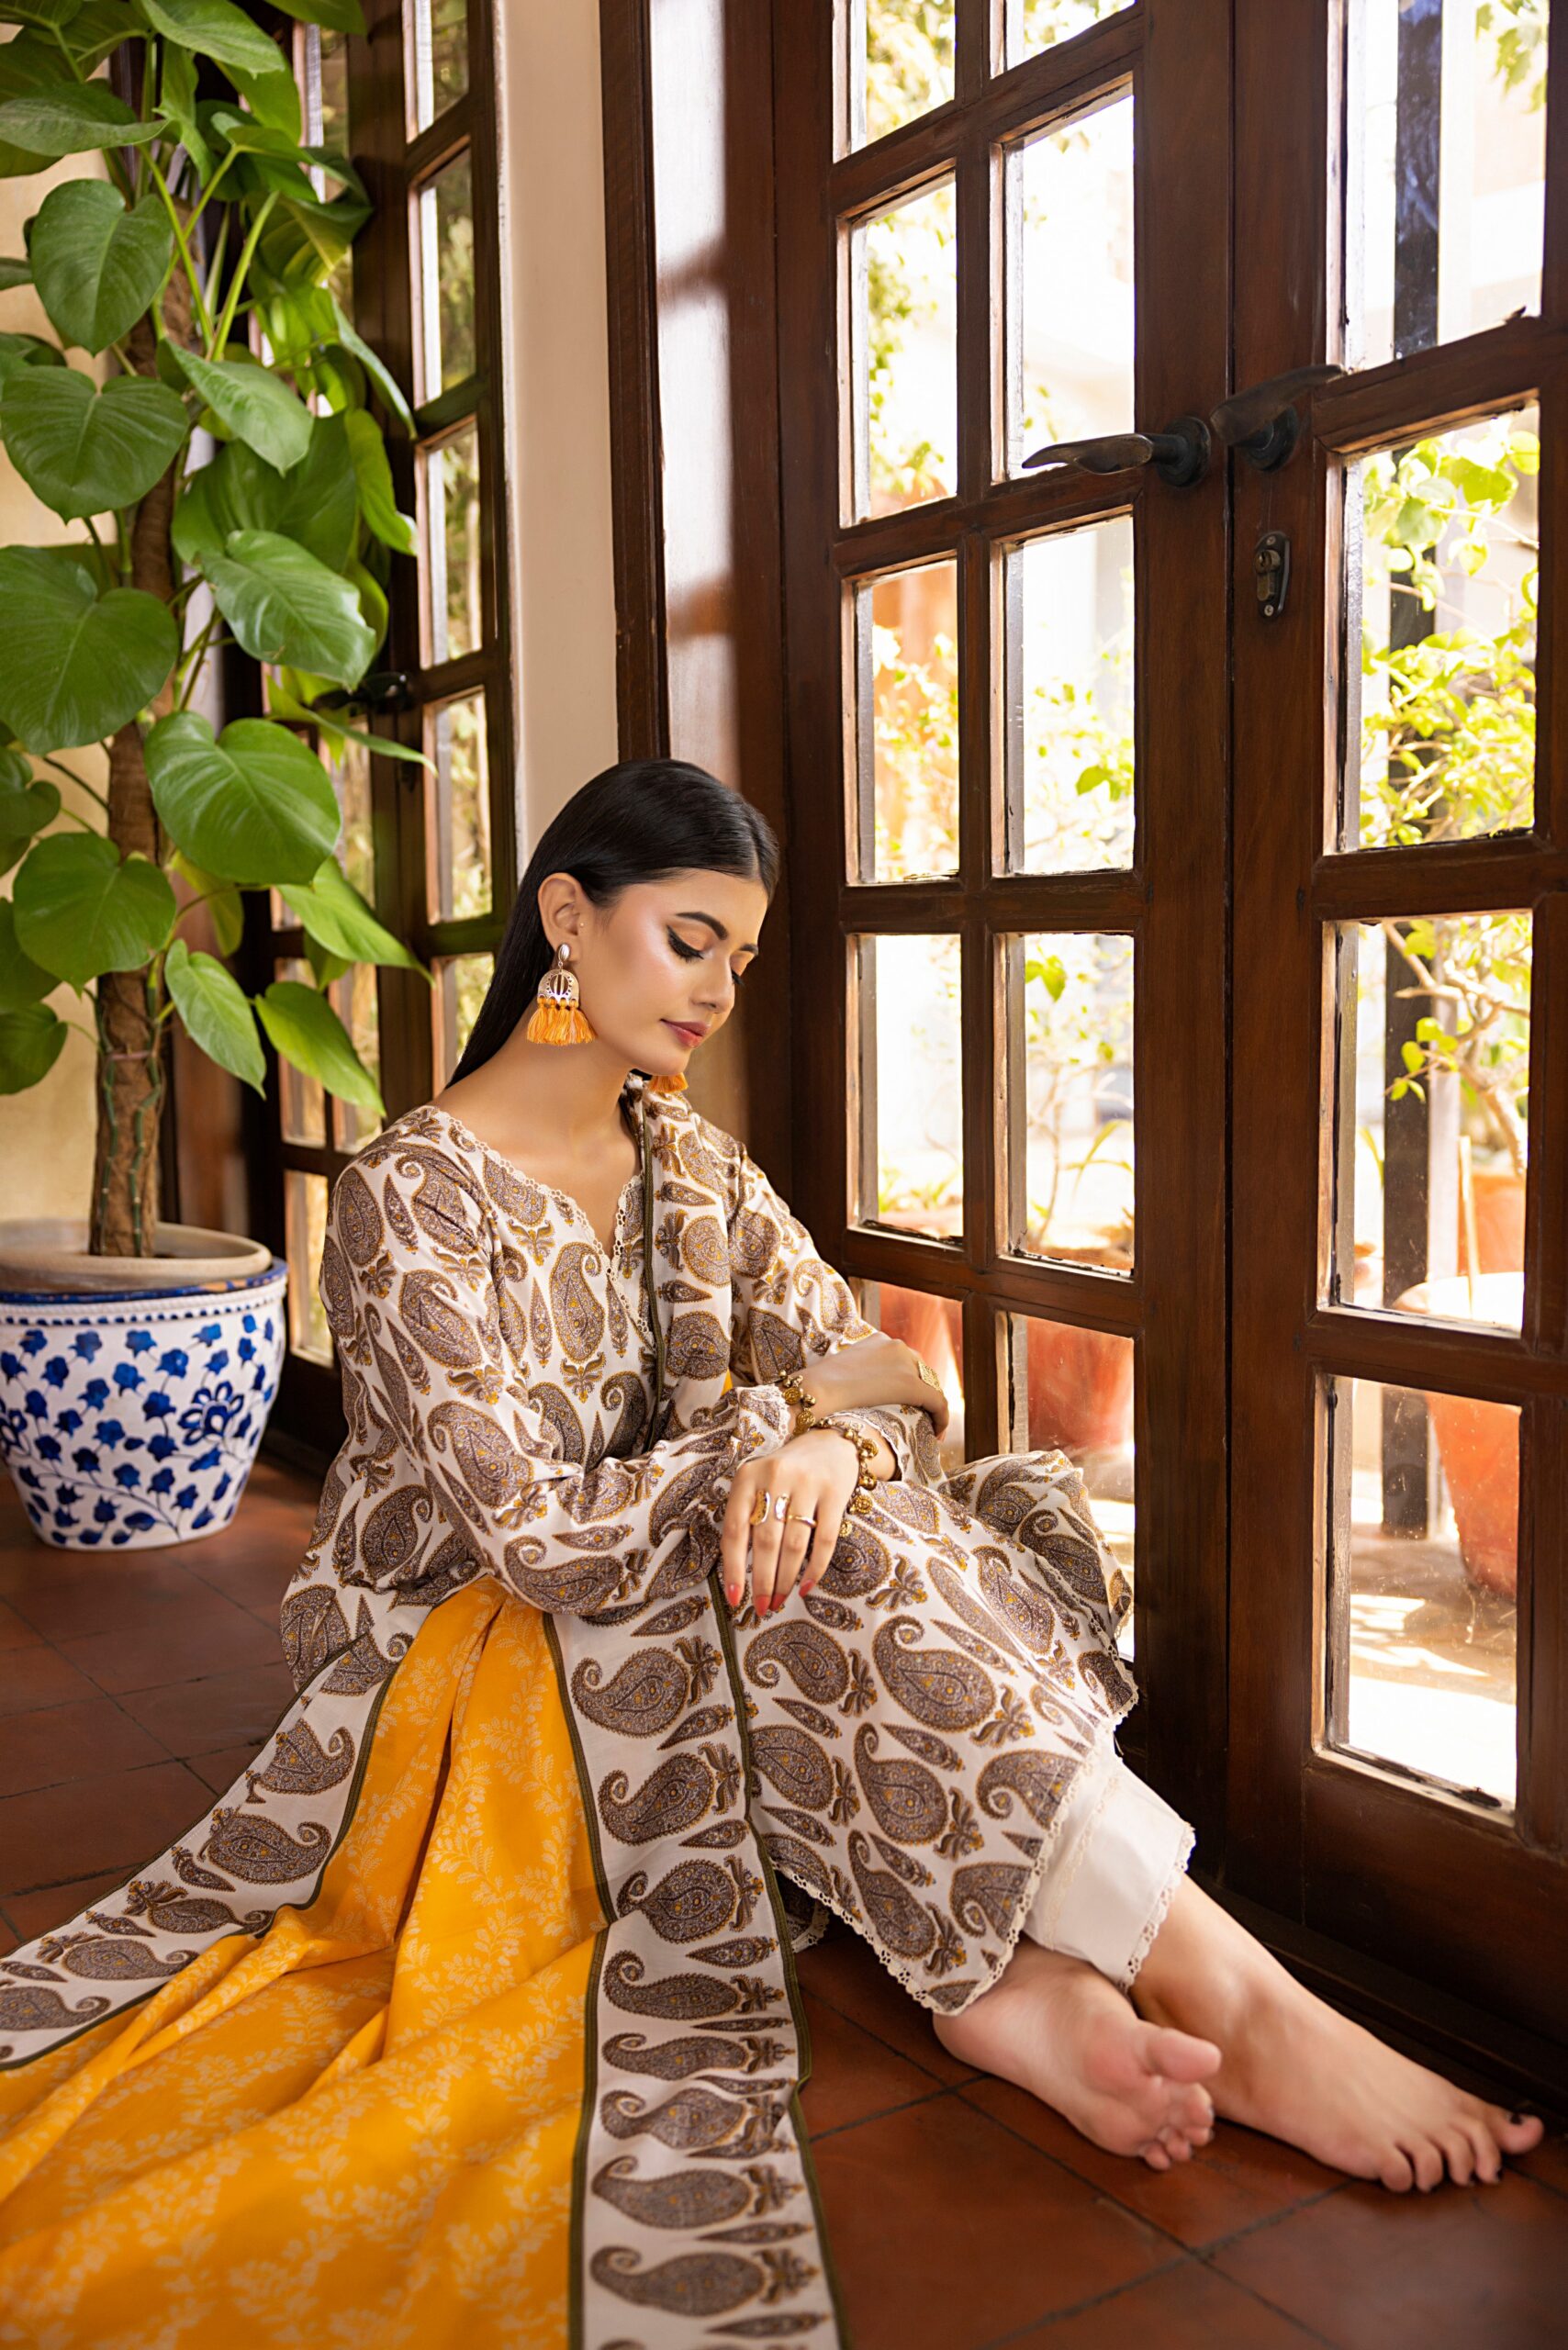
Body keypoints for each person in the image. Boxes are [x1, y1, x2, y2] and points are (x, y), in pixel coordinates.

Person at [0, 760, 1541, 2344]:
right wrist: (783, 1426)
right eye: (690, 941)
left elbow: (898, 1380)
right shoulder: (410, 1198)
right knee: (808, 1551)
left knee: (856, 1517)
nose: (719, 990)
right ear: (566, 919)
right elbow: (539, 1539)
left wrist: (820, 1439)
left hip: (676, 1588)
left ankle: (1013, 1991)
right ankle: (1227, 1990)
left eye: (739, 956)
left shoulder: (692, 1169)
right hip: (462, 1655)